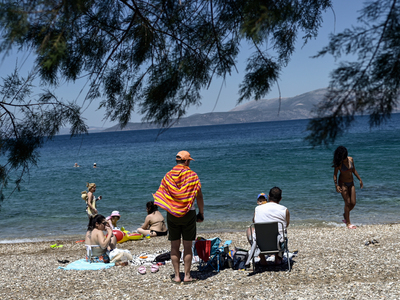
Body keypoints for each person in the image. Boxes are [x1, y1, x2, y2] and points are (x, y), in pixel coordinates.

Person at [153, 150, 204, 284]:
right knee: (187, 246)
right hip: (188, 213)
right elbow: (199, 196)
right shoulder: (192, 175)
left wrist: (170, 206)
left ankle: (176, 276)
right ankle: (187, 276)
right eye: (189, 161)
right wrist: (201, 213)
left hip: (172, 214)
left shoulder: (168, 176)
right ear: (186, 161)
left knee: (174, 246)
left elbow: (162, 192)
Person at [247, 187, 290, 265]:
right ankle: (278, 258)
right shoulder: (285, 210)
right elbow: (286, 225)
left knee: (250, 230)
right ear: (280, 199)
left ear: (269, 197)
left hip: (261, 243)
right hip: (278, 245)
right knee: (282, 232)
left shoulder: (258, 209)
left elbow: (255, 222)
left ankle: (263, 259)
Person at [333, 146, 363, 229]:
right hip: (343, 183)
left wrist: (360, 179)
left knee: (353, 203)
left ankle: (345, 214)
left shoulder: (351, 159)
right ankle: (348, 223)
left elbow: (354, 170)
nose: (344, 158)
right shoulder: (339, 164)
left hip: (351, 183)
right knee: (347, 202)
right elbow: (335, 175)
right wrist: (336, 185)